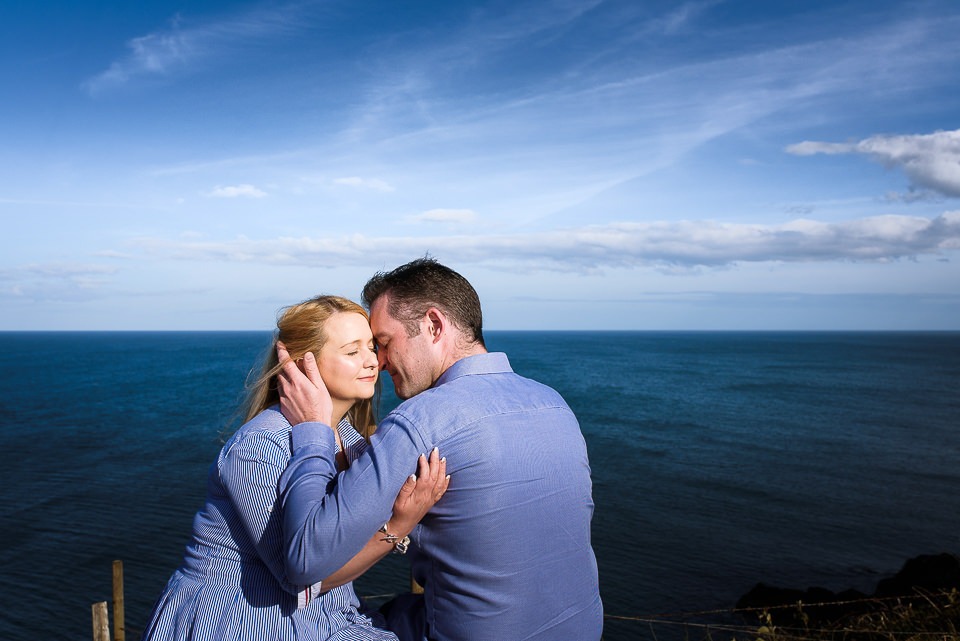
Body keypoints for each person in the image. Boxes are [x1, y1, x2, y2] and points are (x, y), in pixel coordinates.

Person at [276, 259, 603, 641]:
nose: (378, 362)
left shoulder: (421, 420)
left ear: (433, 325)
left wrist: (313, 428)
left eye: (384, 342)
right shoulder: (554, 404)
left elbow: (303, 562)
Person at [141, 295, 448, 641]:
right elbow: (300, 578)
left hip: (324, 615)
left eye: (372, 346)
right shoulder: (260, 446)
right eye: (351, 352)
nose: (372, 361)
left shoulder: (351, 439)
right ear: (302, 364)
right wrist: (398, 526)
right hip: (239, 620)